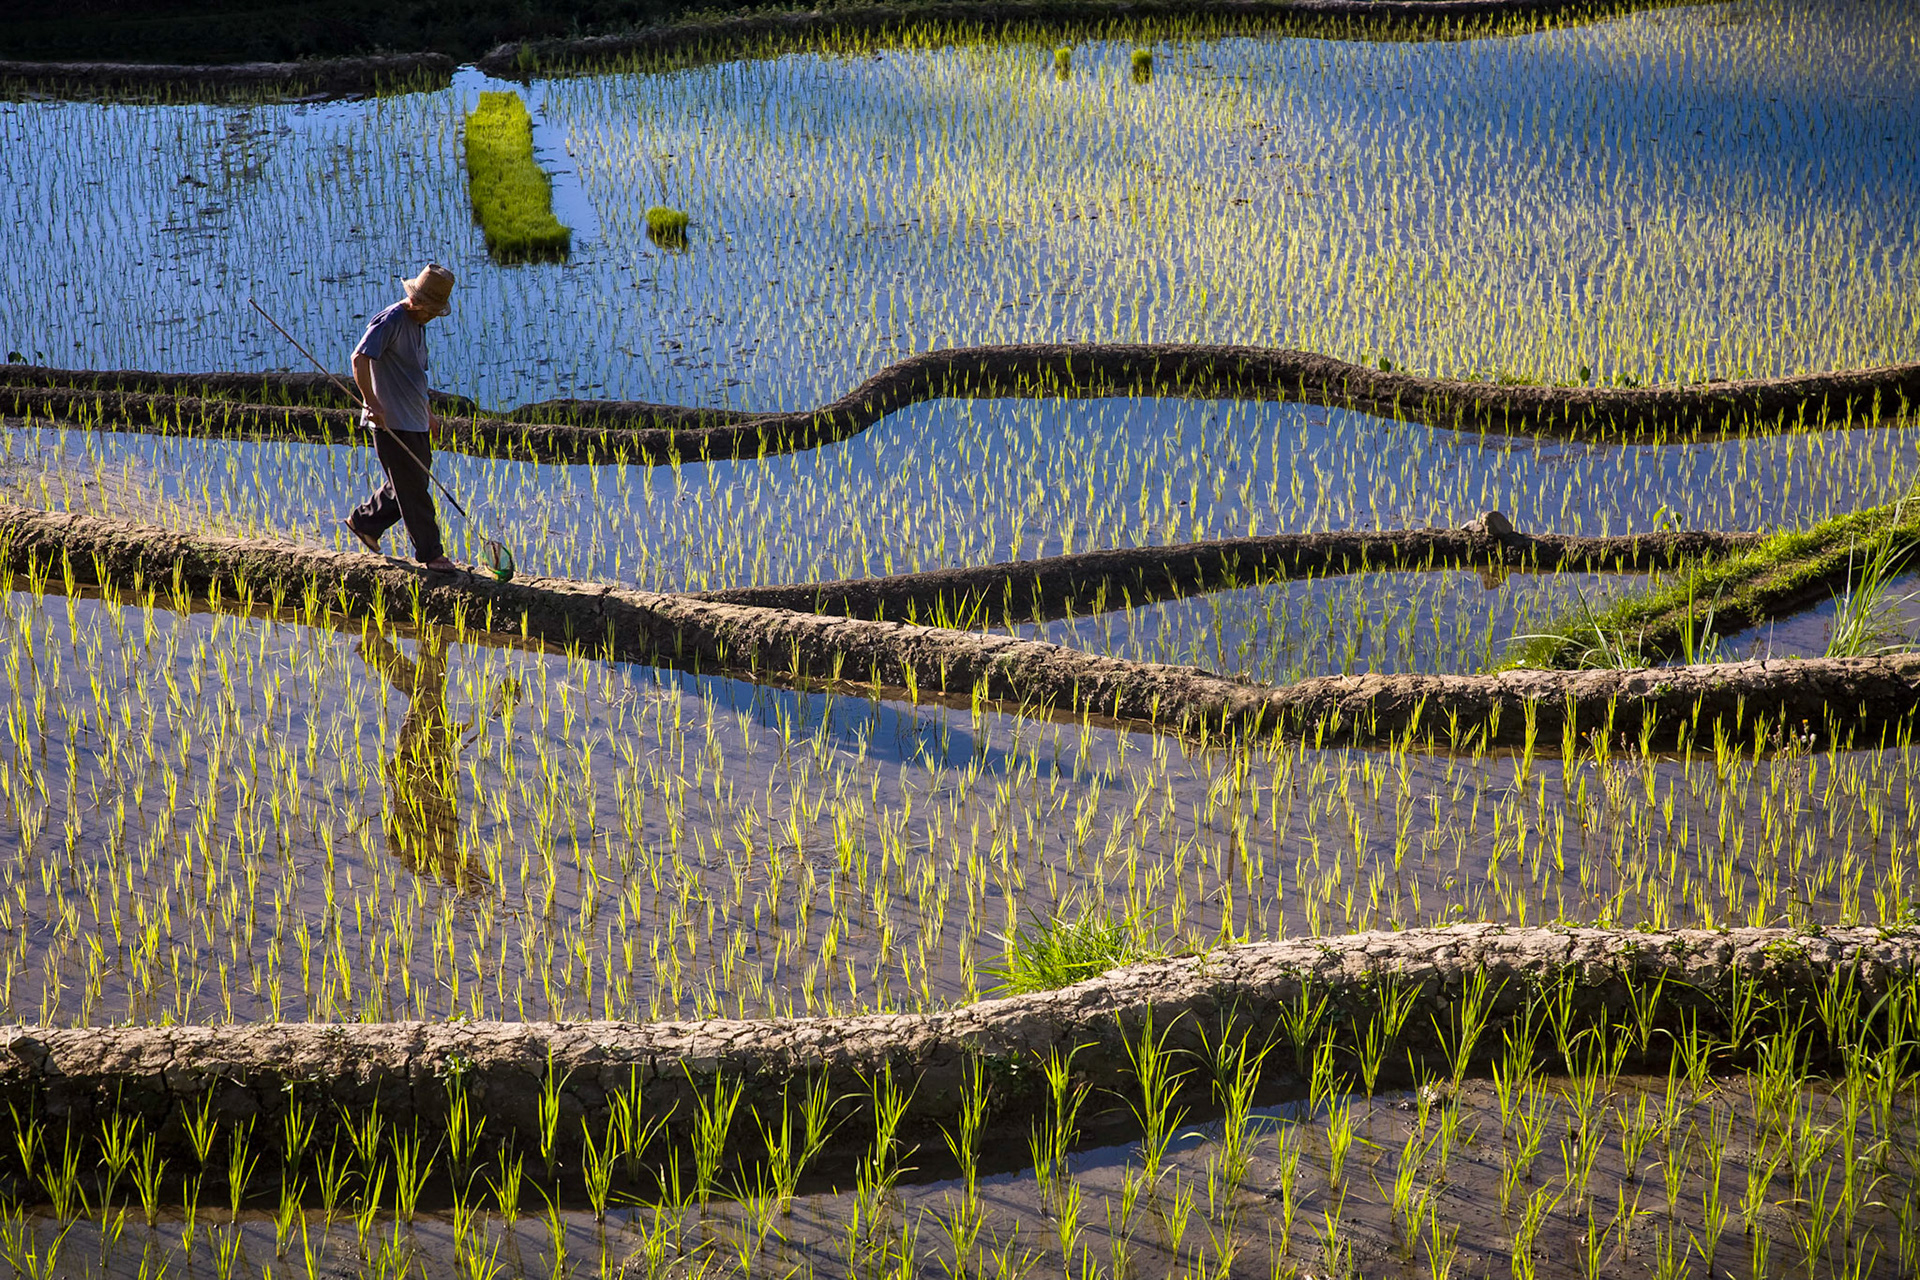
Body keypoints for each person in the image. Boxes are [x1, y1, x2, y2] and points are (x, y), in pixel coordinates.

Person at [341, 263, 461, 573]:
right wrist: (372, 403)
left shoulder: (418, 325)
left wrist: (429, 414)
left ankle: (365, 521)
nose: (434, 315)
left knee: (411, 482)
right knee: (414, 491)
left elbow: (415, 378)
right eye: (431, 308)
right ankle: (431, 554)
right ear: (417, 300)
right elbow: (359, 357)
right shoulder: (391, 319)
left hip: (415, 420)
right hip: (391, 422)